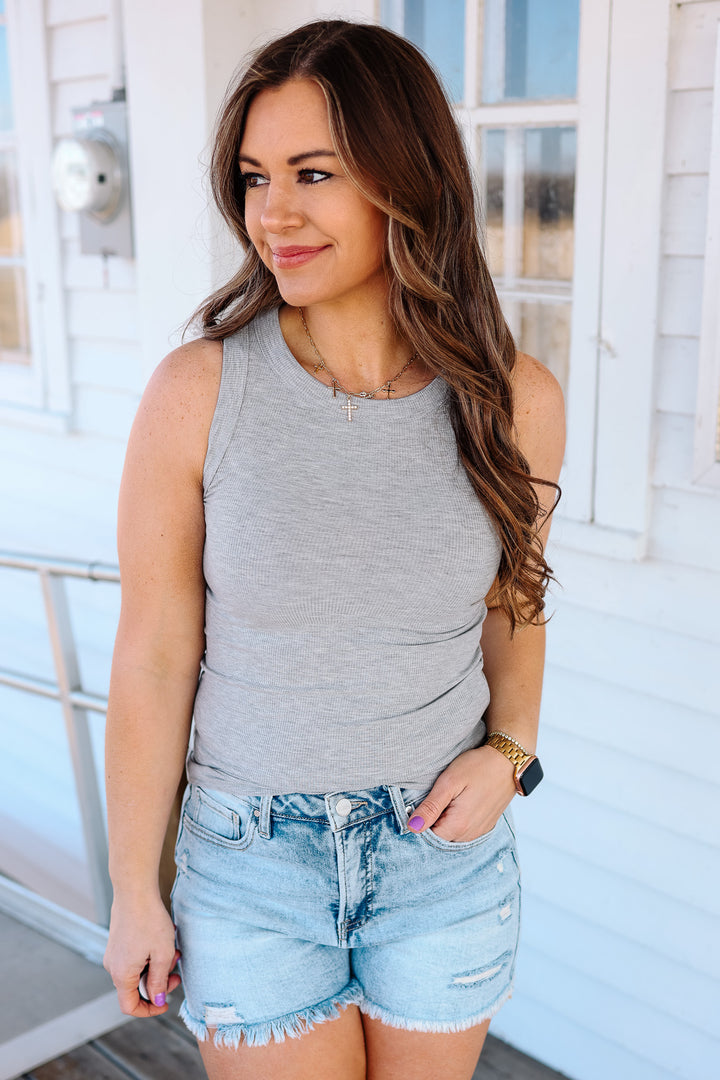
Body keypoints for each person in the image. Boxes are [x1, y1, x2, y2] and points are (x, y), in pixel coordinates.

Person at [102, 19, 565, 1080]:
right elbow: (155, 656)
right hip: (251, 867)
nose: (273, 213)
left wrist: (513, 752)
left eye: (314, 173)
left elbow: (516, 602)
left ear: (409, 180)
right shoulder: (197, 392)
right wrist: (134, 888)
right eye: (255, 177)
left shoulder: (514, 401)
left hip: (441, 859)